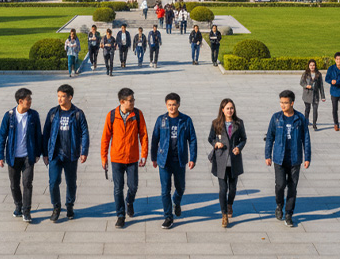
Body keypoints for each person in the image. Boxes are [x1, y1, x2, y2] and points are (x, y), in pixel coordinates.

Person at [100, 88, 148, 229]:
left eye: (133, 100)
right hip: (117, 158)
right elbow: (105, 138)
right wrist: (104, 157)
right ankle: (120, 216)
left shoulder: (137, 114)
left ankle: (129, 202)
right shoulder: (112, 115)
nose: (133, 102)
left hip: (132, 158)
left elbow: (143, 135)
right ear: (122, 102)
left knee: (133, 186)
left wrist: (144, 154)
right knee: (118, 188)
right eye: (130, 100)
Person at [264, 90, 311, 227]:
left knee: (292, 187)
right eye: (281, 102)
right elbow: (270, 137)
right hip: (279, 158)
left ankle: (289, 214)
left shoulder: (300, 118)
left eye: (285, 103)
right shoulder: (276, 118)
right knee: (280, 185)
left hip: (295, 158)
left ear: (292, 103)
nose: (282, 105)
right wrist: (267, 155)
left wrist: (307, 157)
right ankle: (279, 205)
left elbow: (306, 138)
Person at [42, 84, 89, 222]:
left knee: (71, 183)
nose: (60, 99)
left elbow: (85, 133)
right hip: (55, 154)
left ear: (70, 97)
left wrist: (84, 151)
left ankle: (69, 205)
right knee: (53, 182)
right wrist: (45, 153)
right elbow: (45, 134)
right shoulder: (53, 113)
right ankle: (56, 207)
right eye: (58, 96)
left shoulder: (78, 113)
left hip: (71, 154)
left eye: (63, 96)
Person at [150, 92, 197, 229]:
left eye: (174, 105)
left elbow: (192, 140)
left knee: (180, 187)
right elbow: (155, 139)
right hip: (164, 160)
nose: (172, 107)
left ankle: (176, 200)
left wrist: (192, 158)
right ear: (166, 105)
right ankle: (168, 217)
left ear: (179, 105)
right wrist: (153, 157)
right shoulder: (161, 120)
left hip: (179, 160)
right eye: (169, 105)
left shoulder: (186, 120)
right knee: (165, 190)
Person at [0, 87, 43, 222]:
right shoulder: (9, 116)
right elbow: (2, 136)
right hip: (13, 156)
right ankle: (18, 206)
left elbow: (38, 135)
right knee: (14, 184)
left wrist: (38, 153)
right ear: (20, 101)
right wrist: (0, 156)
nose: (30, 101)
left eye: (30, 99)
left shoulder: (33, 115)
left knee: (27, 183)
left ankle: (26, 211)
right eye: (28, 99)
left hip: (28, 156)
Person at [208, 98, 246, 228]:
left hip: (234, 160)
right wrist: (216, 143)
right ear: (222, 110)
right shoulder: (216, 123)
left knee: (233, 188)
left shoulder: (239, 123)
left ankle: (230, 204)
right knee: (223, 189)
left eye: (231, 108)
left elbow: (243, 138)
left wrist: (239, 147)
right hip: (221, 159)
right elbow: (210, 138)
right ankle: (224, 215)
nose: (230, 110)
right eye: (227, 108)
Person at [299, 59, 325, 130]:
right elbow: (301, 82)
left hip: (315, 94)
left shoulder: (318, 74)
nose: (312, 67)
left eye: (313, 65)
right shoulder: (305, 74)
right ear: (308, 66)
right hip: (307, 94)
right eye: (311, 65)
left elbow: (321, 86)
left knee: (315, 109)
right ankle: (306, 122)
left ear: (315, 66)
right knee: (307, 109)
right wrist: (306, 86)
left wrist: (323, 96)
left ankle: (314, 124)